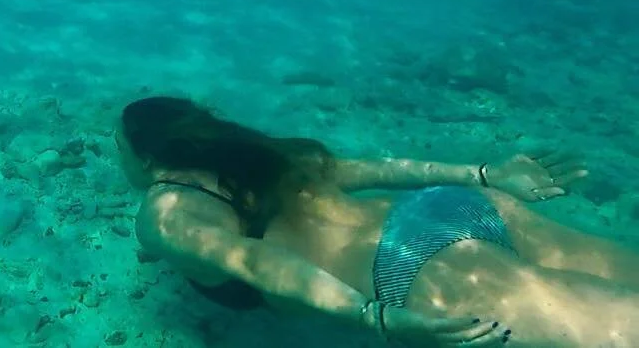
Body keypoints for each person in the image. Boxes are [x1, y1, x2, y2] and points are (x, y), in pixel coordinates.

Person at [115, 96, 639, 347]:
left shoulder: (166, 211)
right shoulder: (262, 155)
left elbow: (255, 259)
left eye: (117, 147)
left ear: (145, 157)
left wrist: (372, 316)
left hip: (415, 266)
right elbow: (374, 169)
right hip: (449, 204)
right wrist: (484, 174)